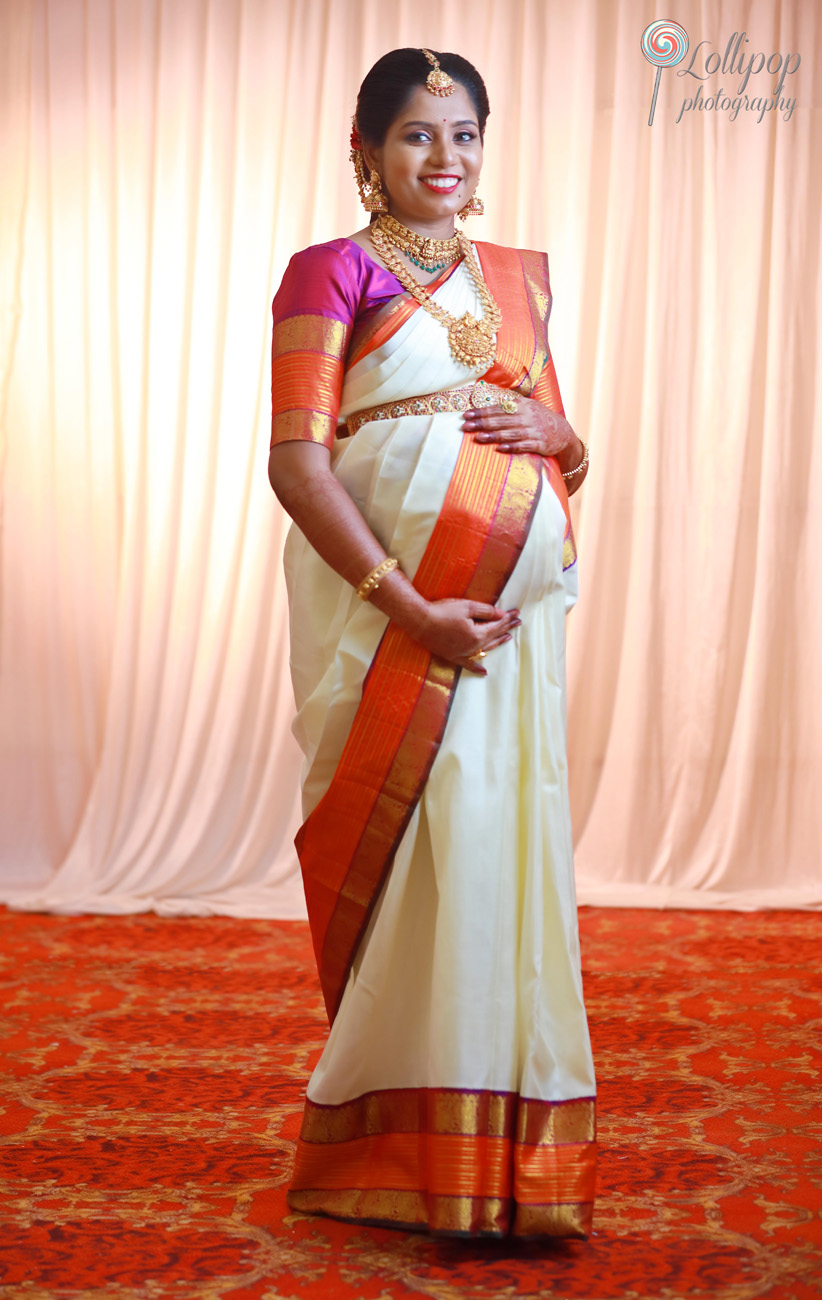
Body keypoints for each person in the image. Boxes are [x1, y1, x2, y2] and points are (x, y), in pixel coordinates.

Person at [267, 47, 596, 1239]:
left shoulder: (514, 288)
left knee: (493, 851)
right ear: (365, 150)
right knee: (416, 850)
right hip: (388, 618)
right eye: (416, 135)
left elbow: (567, 455)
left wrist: (560, 429)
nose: (443, 158)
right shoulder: (328, 273)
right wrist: (409, 604)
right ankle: (388, 1145)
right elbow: (298, 462)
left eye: (463, 135)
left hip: (505, 633)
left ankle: (499, 1149)